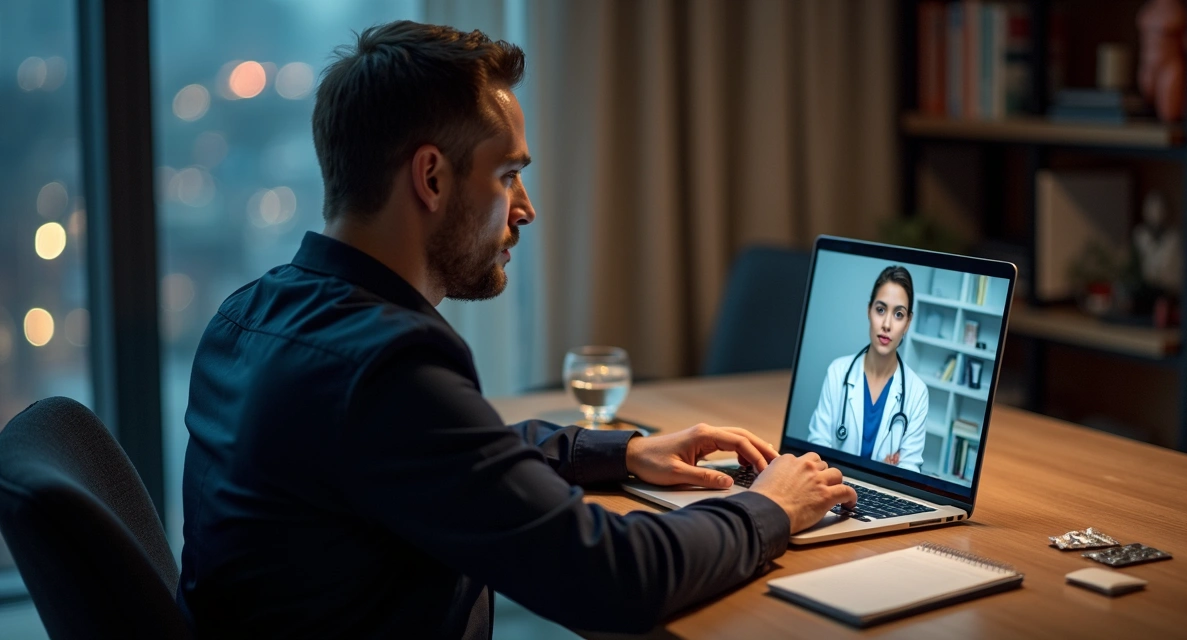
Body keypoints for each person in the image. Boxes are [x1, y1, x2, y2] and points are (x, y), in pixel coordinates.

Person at [176, 21, 857, 639]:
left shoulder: (248, 315)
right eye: (507, 176)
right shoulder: (388, 367)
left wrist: (623, 453)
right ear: (431, 177)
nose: (525, 209)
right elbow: (615, 578)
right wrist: (770, 508)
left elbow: (448, 454)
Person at [807, 266, 929, 472]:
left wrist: (887, 476)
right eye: (880, 310)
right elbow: (816, 450)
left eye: (898, 314)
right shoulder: (838, 372)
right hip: (831, 484)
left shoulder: (917, 393)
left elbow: (908, 472)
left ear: (908, 322)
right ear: (869, 310)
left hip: (881, 492)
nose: (887, 324)